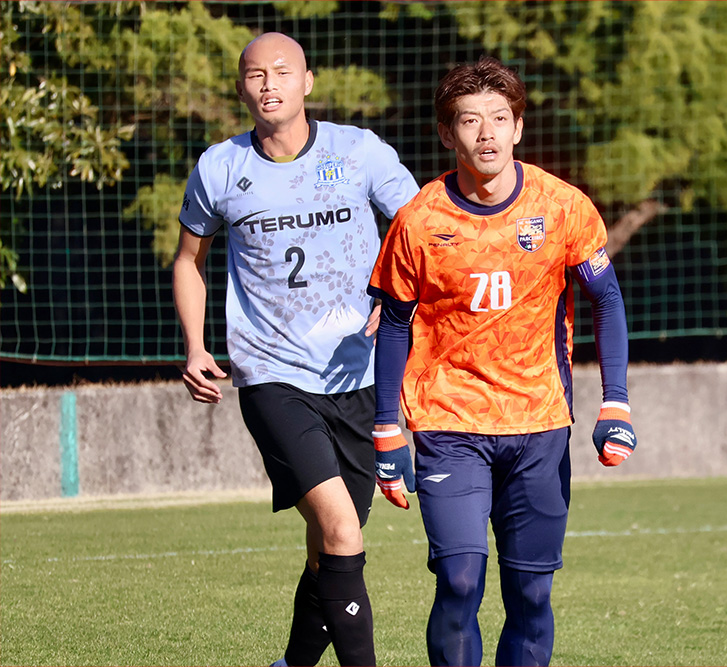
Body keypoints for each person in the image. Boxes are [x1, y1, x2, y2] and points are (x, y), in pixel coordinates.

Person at [366, 56, 638, 667]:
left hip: (539, 425)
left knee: (531, 594)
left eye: (498, 118)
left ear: (518, 127)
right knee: (459, 582)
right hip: (449, 424)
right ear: (447, 134)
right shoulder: (418, 221)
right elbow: (394, 324)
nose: (485, 133)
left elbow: (607, 299)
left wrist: (614, 401)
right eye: (469, 121)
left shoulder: (563, 207)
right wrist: (387, 429)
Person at [172, 32, 418, 667]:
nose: (268, 84)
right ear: (241, 87)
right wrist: (196, 346)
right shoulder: (219, 168)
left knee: (329, 548)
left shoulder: (358, 151)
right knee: (341, 529)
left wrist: (399, 303)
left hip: (360, 374)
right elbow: (188, 261)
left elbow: (421, 231)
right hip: (271, 373)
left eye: (282, 72)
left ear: (308, 81)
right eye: (254, 74)